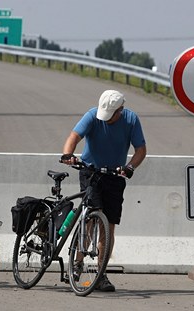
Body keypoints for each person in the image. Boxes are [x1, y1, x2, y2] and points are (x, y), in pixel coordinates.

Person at [61, 89, 147, 292]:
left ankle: (101, 273)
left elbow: (141, 150)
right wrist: (67, 154)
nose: (106, 120)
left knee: (108, 227)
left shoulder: (131, 120)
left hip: (115, 176)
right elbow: (74, 136)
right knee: (89, 220)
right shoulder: (93, 115)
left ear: (120, 110)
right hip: (91, 173)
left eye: (111, 117)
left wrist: (130, 167)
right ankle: (78, 264)